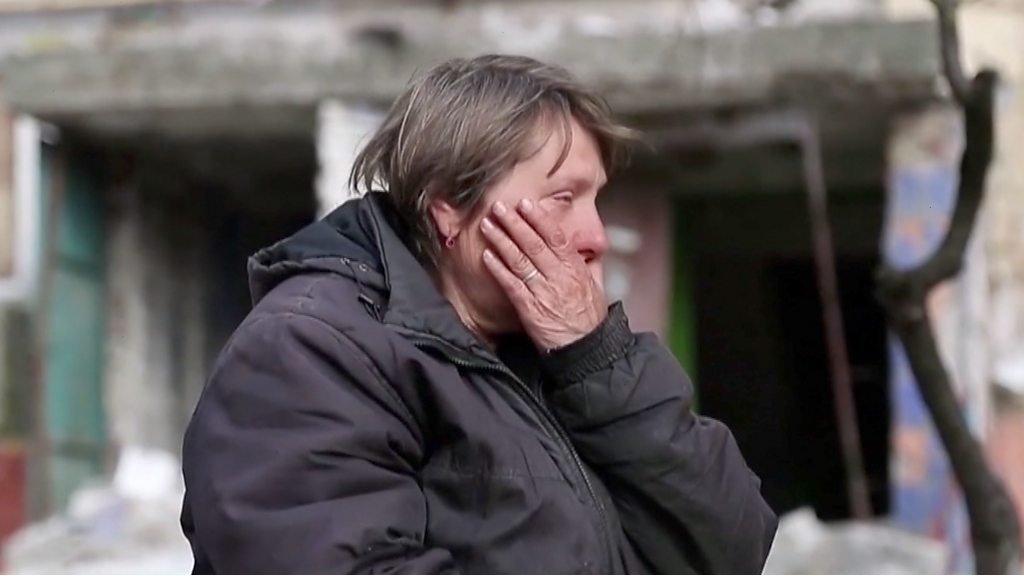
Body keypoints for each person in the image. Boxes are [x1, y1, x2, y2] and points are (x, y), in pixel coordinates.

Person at [181, 54, 777, 574]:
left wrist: (598, 360)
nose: (595, 235)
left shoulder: (558, 355)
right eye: (563, 198)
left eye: (598, 200)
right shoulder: (312, 349)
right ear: (448, 210)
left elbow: (731, 549)